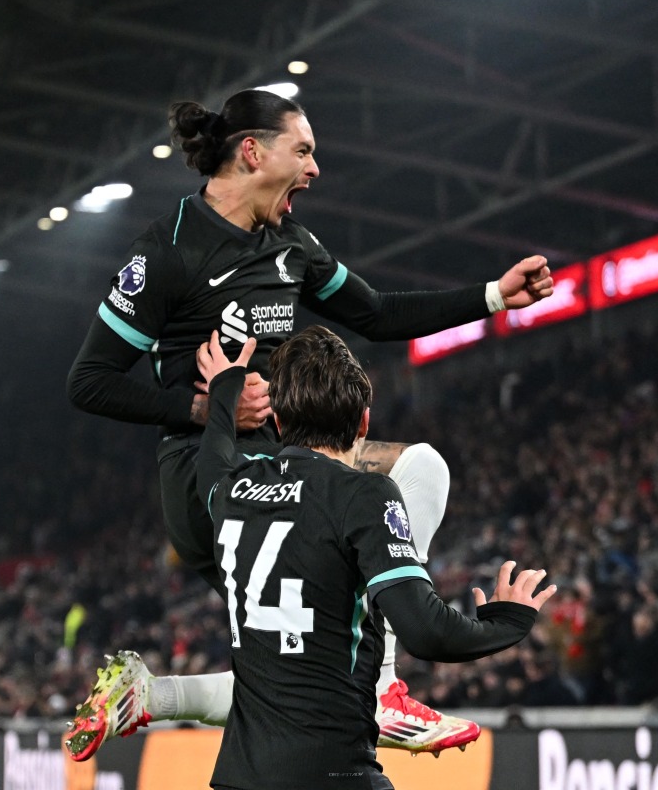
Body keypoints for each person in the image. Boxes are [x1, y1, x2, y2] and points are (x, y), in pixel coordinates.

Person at [63, 87, 554, 761]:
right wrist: (204, 409)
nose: (315, 169)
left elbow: (377, 314)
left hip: (286, 461)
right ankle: (378, 686)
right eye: (304, 151)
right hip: (213, 476)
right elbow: (89, 381)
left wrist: (496, 296)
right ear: (252, 152)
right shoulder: (167, 254)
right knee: (331, 661)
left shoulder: (291, 243)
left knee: (319, 657)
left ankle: (154, 696)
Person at [190, 326, 553, 789]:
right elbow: (426, 632)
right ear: (363, 423)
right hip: (332, 775)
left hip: (237, 778)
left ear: (278, 423)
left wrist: (225, 390)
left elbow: (213, 457)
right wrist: (509, 622)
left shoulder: (234, 489)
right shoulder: (362, 494)